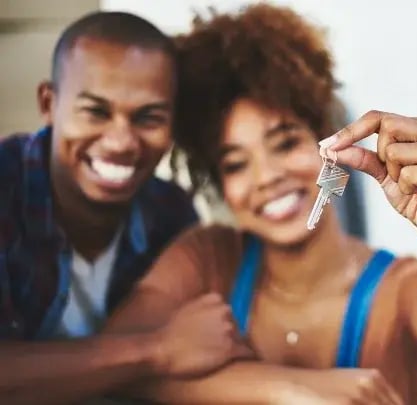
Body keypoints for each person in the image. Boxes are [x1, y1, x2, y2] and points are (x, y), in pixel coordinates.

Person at [106, 4, 417, 404]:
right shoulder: (208, 261)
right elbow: (109, 369)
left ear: (330, 142)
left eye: (285, 143)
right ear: (220, 182)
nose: (267, 176)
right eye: (235, 163)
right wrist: (285, 388)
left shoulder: (396, 290)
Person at [0, 11, 250, 404]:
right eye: (96, 112)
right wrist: (158, 350)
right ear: (49, 104)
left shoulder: (170, 214)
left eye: (148, 118)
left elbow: (200, 358)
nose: (120, 141)